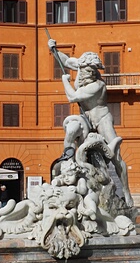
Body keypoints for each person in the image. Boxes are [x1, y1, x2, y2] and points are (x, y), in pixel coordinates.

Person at [49, 38, 133, 207]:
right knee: (71, 129)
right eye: (86, 71)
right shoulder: (80, 66)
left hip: (101, 119)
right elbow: (66, 61)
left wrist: (65, 81)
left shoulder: (97, 85)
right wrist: (54, 50)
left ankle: (126, 192)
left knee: (116, 156)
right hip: (85, 118)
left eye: (92, 72)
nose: (89, 74)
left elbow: (72, 97)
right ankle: (68, 161)